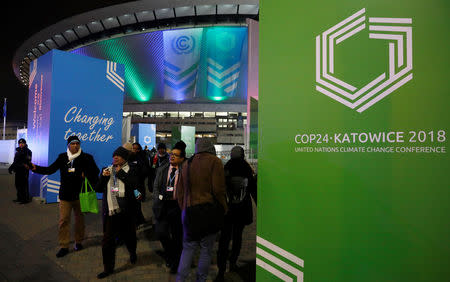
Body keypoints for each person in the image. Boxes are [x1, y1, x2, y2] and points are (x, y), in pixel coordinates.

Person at [30, 135, 99, 258]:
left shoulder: (87, 158)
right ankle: (64, 246)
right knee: (63, 221)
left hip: (80, 195)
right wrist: (35, 168)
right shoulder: (62, 157)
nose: (75, 146)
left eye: (77, 143)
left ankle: (78, 242)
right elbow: (50, 170)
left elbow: (95, 171)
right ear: (68, 145)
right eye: (72, 144)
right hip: (65, 196)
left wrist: (85, 174)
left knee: (80, 221)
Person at [176, 139, 228, 282]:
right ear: (210, 147)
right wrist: (224, 207)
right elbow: (218, 189)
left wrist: (184, 209)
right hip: (208, 212)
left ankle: (180, 279)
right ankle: (201, 279)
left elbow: (179, 192)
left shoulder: (187, 163)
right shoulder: (215, 162)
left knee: (188, 249)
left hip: (189, 212)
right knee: (206, 249)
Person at [95, 146, 141, 279]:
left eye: (119, 156)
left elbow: (134, 185)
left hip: (127, 211)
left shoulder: (132, 169)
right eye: (114, 156)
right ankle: (108, 268)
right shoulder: (106, 170)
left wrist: (120, 173)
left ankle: (132, 252)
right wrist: (103, 178)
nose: (115, 157)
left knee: (129, 236)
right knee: (107, 241)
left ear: (125, 158)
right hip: (112, 210)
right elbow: (98, 188)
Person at [215, 146, 257, 281]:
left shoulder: (226, 167)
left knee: (224, 239)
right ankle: (233, 262)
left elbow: (220, 189)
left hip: (227, 210)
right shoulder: (246, 168)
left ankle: (221, 270)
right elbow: (252, 189)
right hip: (242, 210)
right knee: (238, 236)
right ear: (243, 154)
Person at [152, 141, 186, 274]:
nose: (172, 157)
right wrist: (156, 199)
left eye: (176, 155)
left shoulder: (185, 170)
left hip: (178, 206)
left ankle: (175, 262)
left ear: (182, 158)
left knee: (178, 236)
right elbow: (156, 187)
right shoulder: (162, 169)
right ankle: (170, 254)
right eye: (171, 154)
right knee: (161, 233)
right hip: (163, 205)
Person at [130, 142, 150, 226]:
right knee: (134, 203)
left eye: (136, 148)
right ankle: (139, 219)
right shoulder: (129, 157)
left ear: (139, 149)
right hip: (132, 185)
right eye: (133, 148)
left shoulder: (142, 157)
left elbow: (145, 170)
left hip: (139, 185)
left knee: (137, 202)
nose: (134, 150)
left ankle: (139, 220)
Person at [8, 138, 32, 204]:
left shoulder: (28, 151)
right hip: (18, 171)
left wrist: (22, 165)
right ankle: (19, 198)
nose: (21, 144)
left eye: (22, 143)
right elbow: (15, 162)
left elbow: (27, 162)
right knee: (17, 185)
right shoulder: (18, 152)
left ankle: (25, 200)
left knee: (23, 185)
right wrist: (11, 168)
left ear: (25, 144)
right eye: (20, 143)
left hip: (24, 171)